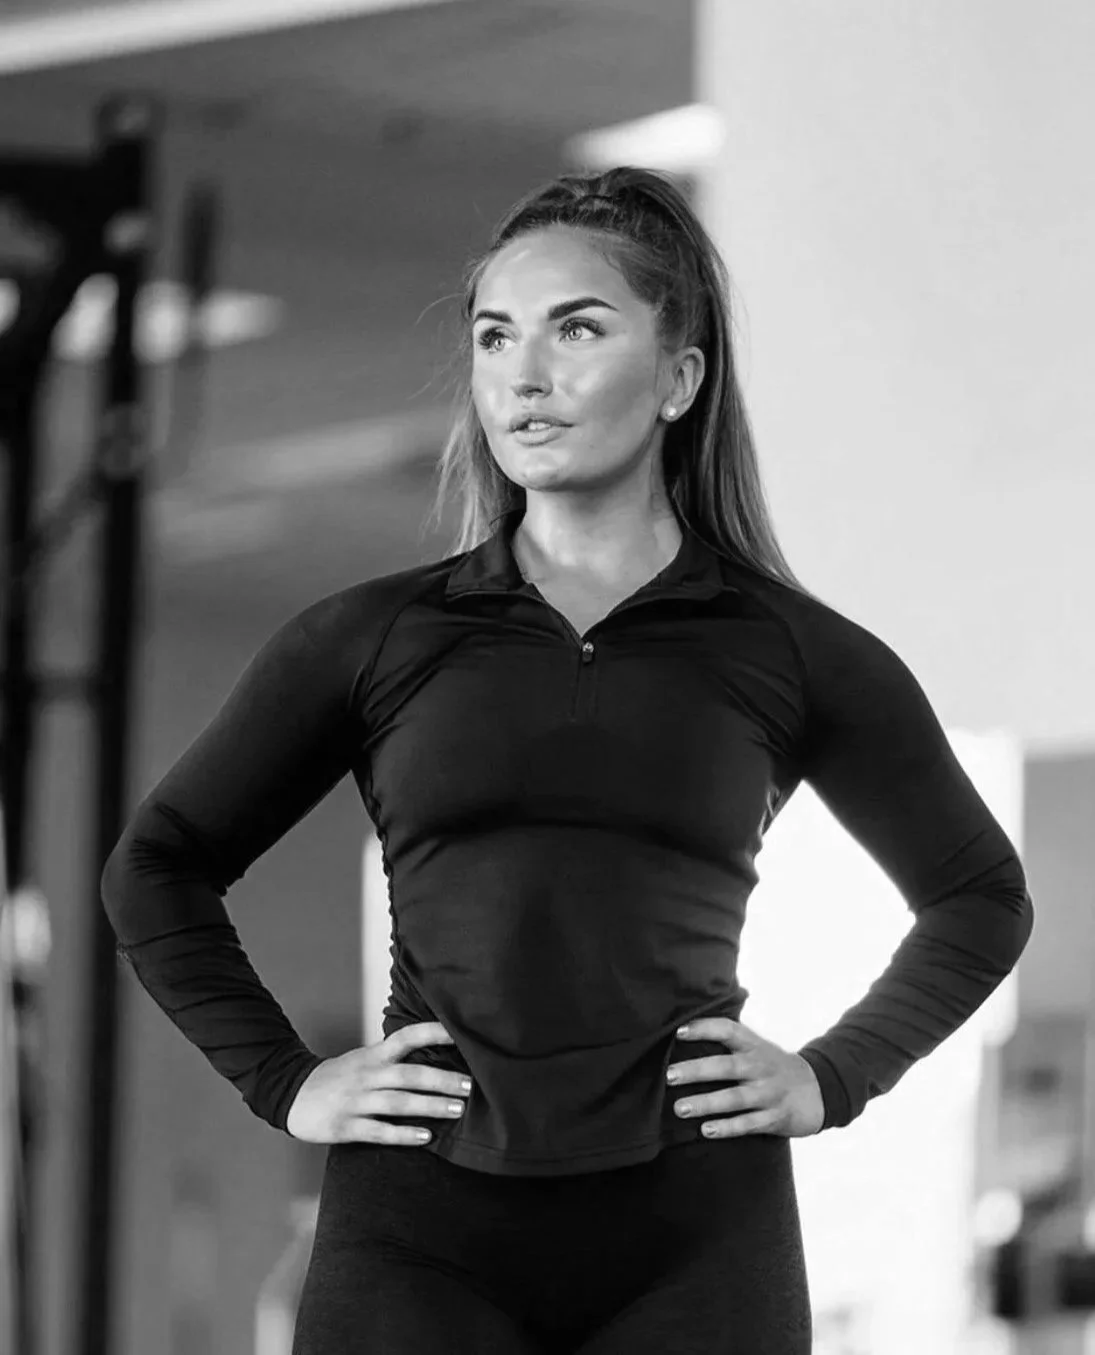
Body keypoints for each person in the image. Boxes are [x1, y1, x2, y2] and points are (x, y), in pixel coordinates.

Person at [100, 166, 1034, 1354]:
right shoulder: (376, 637)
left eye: (577, 329)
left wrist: (835, 1073)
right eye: (496, 336)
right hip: (418, 1225)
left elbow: (979, 896)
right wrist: (286, 1080)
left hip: (697, 1231)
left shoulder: (790, 651)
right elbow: (158, 864)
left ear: (679, 376)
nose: (523, 376)